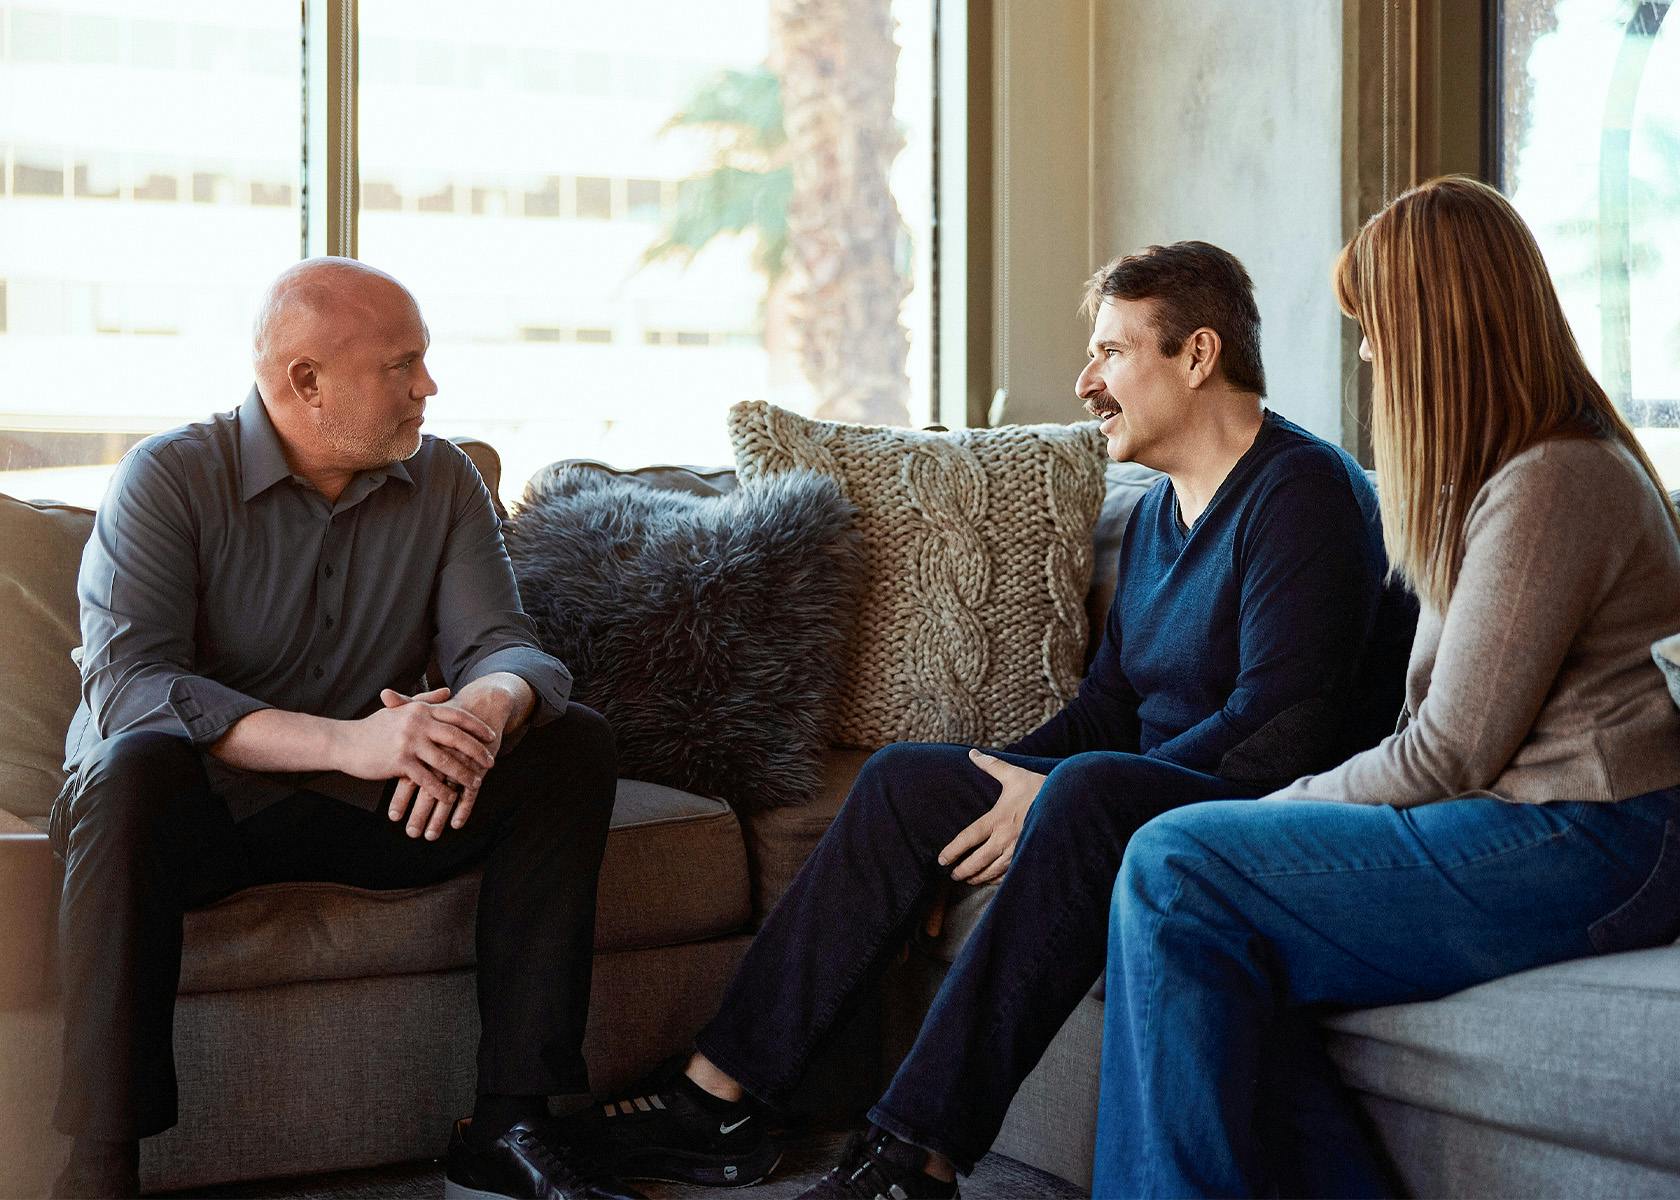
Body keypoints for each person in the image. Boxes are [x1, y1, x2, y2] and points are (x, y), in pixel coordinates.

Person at [570, 242, 1416, 1199]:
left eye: (1111, 352)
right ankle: (715, 1099)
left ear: (1197, 355)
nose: (1086, 382)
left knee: (1084, 788)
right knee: (906, 783)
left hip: (1267, 808)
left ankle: (915, 1157)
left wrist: (1051, 795)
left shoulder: (1303, 493)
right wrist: (1002, 784)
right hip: (1134, 790)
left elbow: (1282, 725)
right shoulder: (1157, 515)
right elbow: (1107, 708)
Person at [1095, 177, 1680, 1198]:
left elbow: (1448, 751)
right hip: (1540, 823)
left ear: (1435, 327)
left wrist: (1275, 810)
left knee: (1176, 866)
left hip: (1595, 836)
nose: (1366, 355)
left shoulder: (1555, 482)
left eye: (1372, 328)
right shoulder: (1502, 475)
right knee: (1222, 936)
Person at [49, 257, 636, 1200]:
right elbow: (130, 686)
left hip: (376, 809)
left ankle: (510, 1125)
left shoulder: (443, 478)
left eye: (424, 360)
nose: (428, 386)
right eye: (402, 365)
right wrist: (350, 741)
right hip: (199, 823)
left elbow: (505, 646)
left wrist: (484, 708)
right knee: (129, 769)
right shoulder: (167, 477)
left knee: (571, 743)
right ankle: (100, 1165)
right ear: (306, 382)